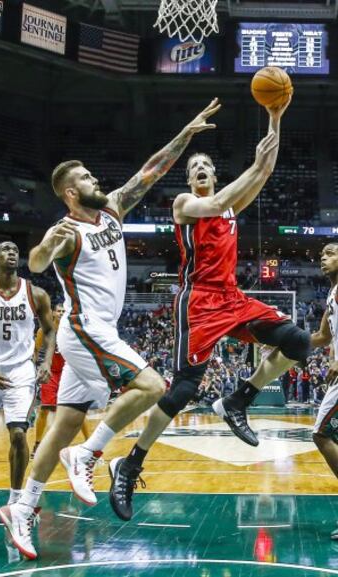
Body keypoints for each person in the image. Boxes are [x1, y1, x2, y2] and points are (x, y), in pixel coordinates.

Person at [0, 98, 221, 559]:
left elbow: (151, 170)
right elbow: (37, 261)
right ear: (69, 192)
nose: (95, 180)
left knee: (63, 426)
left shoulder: (114, 208)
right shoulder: (65, 230)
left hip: (97, 329)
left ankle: (23, 506)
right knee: (153, 385)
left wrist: (186, 133)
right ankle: (91, 455)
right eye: (85, 178)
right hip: (84, 328)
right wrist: (43, 248)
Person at [107, 96, 315, 522]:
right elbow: (221, 201)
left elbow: (266, 170)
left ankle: (239, 399)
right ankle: (129, 465)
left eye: (205, 166)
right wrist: (253, 168)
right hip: (198, 300)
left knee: (298, 341)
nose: (199, 171)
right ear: (190, 179)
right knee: (183, 390)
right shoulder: (185, 205)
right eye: (193, 168)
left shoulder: (231, 207)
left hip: (232, 297)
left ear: (215, 173)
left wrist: (274, 118)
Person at [0, 241, 55, 506]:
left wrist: (45, 361)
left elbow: (50, 329)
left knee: (19, 434)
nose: (13, 252)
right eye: (6, 249)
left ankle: (15, 500)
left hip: (21, 373)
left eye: (16, 250)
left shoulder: (35, 294)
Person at [307, 243, 338, 539]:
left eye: (330, 254)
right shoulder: (331, 294)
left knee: (321, 434)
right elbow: (322, 336)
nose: (323, 258)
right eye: (322, 255)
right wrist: (282, 341)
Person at [31, 301, 89, 458]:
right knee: (44, 410)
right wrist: (33, 368)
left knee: (78, 409)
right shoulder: (44, 330)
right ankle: (37, 445)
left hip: (69, 372)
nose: (62, 313)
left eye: (64, 311)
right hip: (51, 373)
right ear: (53, 313)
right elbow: (36, 350)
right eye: (59, 311)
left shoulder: (72, 330)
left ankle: (90, 446)